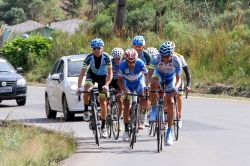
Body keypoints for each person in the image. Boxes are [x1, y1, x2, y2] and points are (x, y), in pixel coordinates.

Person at [146, 41, 182, 146]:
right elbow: (149, 75)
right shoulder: (155, 58)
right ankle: (153, 110)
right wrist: (148, 84)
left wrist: (176, 87)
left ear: (171, 54)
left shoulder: (176, 60)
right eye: (163, 57)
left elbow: (179, 79)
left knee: (170, 102)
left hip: (171, 78)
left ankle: (169, 132)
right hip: (159, 74)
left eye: (167, 57)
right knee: (153, 83)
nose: (165, 59)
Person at [77, 38, 113, 138]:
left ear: (102, 48)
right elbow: (81, 74)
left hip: (103, 77)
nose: (96, 50)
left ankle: (103, 126)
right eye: (94, 48)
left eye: (98, 48)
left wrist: (106, 85)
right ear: (92, 49)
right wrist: (79, 88)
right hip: (92, 75)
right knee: (87, 89)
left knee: (103, 101)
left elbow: (110, 74)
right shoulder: (89, 58)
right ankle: (86, 110)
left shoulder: (106, 58)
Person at [117, 48, 149, 142]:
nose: (131, 63)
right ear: (125, 60)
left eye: (133, 61)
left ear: (136, 59)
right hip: (127, 84)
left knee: (144, 96)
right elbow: (119, 82)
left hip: (139, 82)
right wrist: (125, 90)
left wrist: (148, 86)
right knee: (126, 105)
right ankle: (126, 130)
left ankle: (143, 114)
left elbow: (147, 76)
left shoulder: (140, 63)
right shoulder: (122, 66)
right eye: (129, 61)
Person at [132, 35, 151, 129]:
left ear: (143, 47)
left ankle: (143, 119)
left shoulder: (147, 56)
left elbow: (151, 70)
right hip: (131, 77)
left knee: (145, 98)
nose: (137, 49)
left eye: (140, 47)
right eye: (135, 47)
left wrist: (149, 84)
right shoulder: (129, 54)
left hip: (144, 77)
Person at [171, 42, 191, 128]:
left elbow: (187, 72)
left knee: (179, 96)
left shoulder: (179, 57)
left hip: (178, 79)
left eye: (171, 49)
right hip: (168, 78)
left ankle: (179, 116)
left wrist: (188, 85)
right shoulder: (162, 56)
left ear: (174, 49)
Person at [109, 47, 124, 131]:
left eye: (118, 58)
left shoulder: (124, 63)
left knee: (120, 100)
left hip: (120, 82)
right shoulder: (110, 63)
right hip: (111, 82)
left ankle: (118, 119)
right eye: (115, 58)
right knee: (106, 96)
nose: (117, 60)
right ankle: (108, 109)